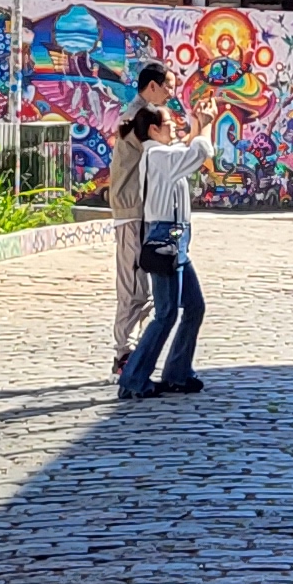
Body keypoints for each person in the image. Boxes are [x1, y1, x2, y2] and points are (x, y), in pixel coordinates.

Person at [116, 108, 206, 399]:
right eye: (168, 124)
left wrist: (201, 125)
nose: (174, 127)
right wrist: (204, 125)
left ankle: (178, 373)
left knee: (194, 306)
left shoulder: (164, 155)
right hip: (164, 236)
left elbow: (189, 149)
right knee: (165, 313)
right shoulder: (156, 156)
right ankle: (133, 378)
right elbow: (199, 151)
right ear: (153, 130)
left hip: (176, 236)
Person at [112, 64, 173, 376]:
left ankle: (128, 354)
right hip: (132, 212)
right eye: (167, 87)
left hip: (137, 211)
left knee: (138, 286)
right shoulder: (141, 116)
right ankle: (125, 357)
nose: (170, 94)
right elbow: (162, 148)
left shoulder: (136, 113)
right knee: (135, 288)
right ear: (152, 86)